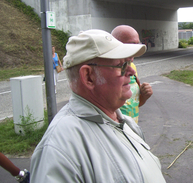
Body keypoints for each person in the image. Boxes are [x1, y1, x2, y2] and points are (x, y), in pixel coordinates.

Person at [30, 29, 166, 183]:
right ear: (89, 77)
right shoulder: (61, 149)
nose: (130, 71)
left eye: (128, 63)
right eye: (121, 65)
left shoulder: (126, 123)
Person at [111, 25, 153, 123]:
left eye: (137, 45)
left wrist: (144, 96)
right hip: (117, 129)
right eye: (131, 45)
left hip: (133, 127)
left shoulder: (132, 67)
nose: (135, 50)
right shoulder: (109, 70)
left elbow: (134, 103)